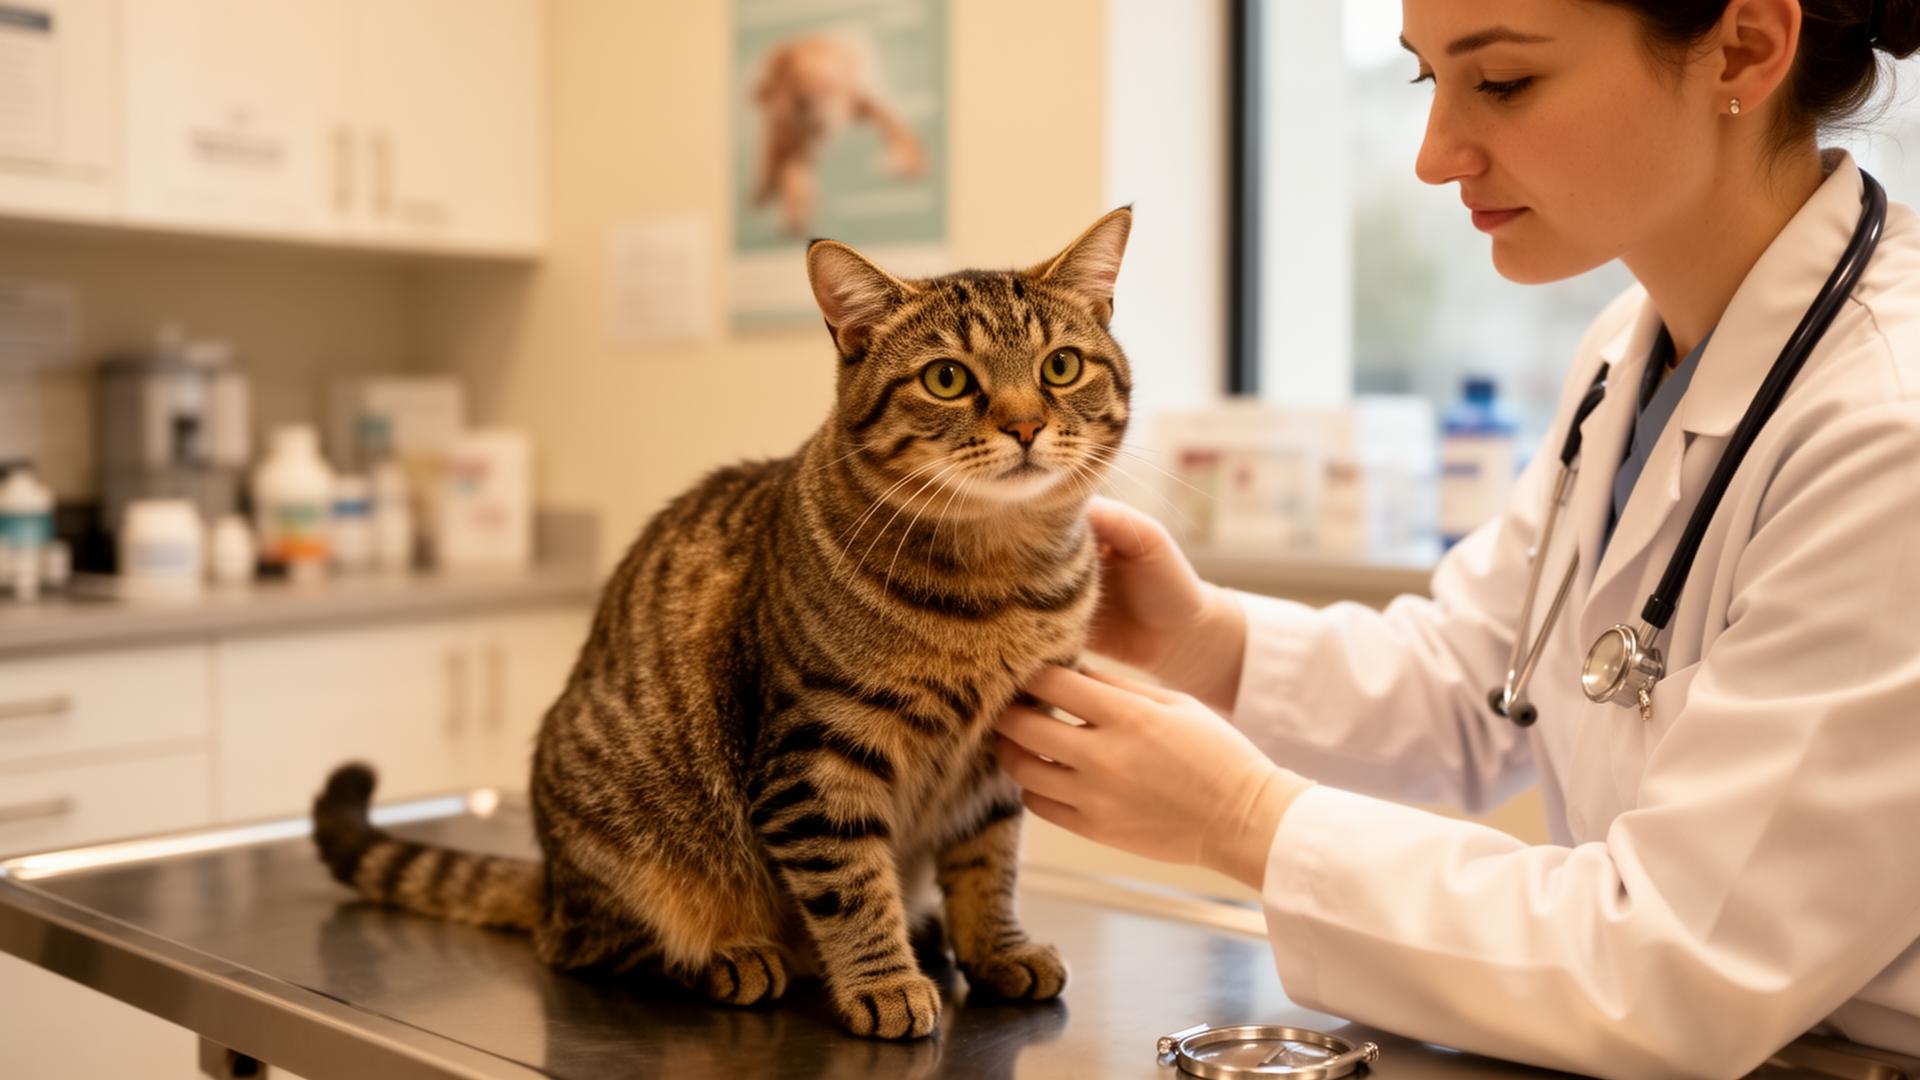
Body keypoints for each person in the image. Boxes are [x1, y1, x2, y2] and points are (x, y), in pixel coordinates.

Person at [990, 1, 1920, 1076]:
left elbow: (1672, 964)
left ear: (1747, 47)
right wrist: (1204, 642)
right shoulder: (1629, 349)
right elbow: (1487, 680)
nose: (1435, 159)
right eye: (1430, 81)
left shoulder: (1888, 426)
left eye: (1506, 83)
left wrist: (1244, 818)